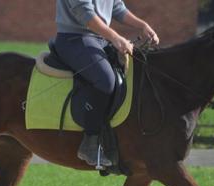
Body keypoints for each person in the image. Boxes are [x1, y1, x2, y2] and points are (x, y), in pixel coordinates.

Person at [54, 0, 159, 167]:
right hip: (74, 39)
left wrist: (142, 25)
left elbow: (117, 7)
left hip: (100, 39)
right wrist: (115, 37)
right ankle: (90, 142)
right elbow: (84, 12)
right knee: (106, 81)